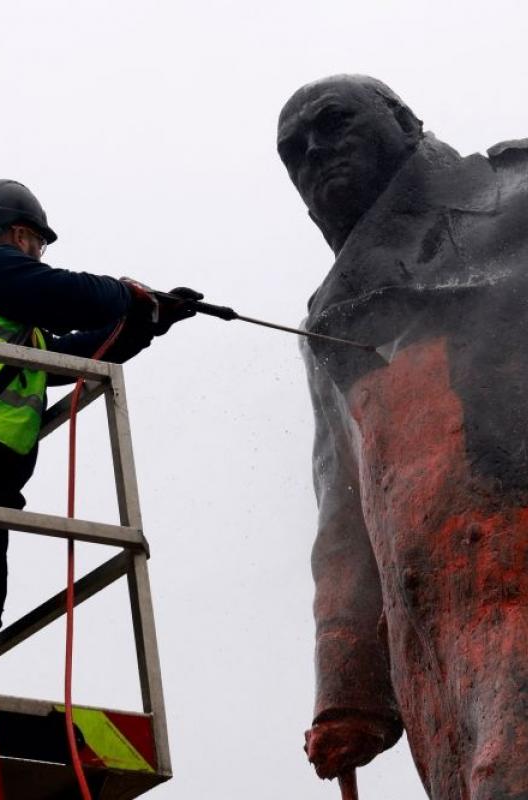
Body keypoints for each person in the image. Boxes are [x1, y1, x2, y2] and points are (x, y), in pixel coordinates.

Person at [278, 75, 528, 799]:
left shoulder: (518, 194)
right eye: (295, 152)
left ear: (403, 120)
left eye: (334, 125)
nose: (316, 153)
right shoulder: (331, 321)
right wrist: (347, 688)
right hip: (441, 634)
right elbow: (345, 510)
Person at [0, 178, 201, 689]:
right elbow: (69, 297)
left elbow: (72, 357)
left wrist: (149, 324)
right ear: (19, 235)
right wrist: (129, 294)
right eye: (39, 246)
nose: (40, 257)